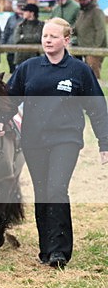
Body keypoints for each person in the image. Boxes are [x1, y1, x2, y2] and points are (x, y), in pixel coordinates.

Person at [7, 17, 108, 268]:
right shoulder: (28, 68)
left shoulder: (79, 71)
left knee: (56, 190)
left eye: (53, 36)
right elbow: (8, 101)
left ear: (66, 40)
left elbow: (97, 108)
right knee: (42, 193)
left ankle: (60, 251)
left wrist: (104, 143)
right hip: (33, 141)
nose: (48, 40)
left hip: (66, 139)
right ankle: (46, 250)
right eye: (45, 36)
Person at [73, 0, 107, 79]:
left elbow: (100, 31)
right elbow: (78, 28)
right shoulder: (82, 13)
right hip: (82, 49)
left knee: (93, 77)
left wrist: (95, 49)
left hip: (93, 50)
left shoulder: (97, 11)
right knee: (85, 77)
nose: (81, 1)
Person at [12, 3, 44, 67]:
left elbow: (38, 38)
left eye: (26, 11)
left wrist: (23, 37)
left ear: (32, 13)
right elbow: (16, 39)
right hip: (20, 58)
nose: (23, 12)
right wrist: (31, 38)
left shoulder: (41, 25)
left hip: (34, 58)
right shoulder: (20, 25)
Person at [1, 1, 24, 73]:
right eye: (19, 6)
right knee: (11, 70)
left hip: (23, 50)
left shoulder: (28, 19)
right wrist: (2, 44)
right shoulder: (11, 18)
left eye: (23, 6)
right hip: (11, 48)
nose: (21, 8)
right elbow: (6, 32)